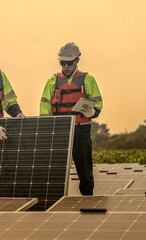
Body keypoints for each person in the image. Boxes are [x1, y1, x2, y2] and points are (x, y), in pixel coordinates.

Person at [39, 42, 103, 195]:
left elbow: (98, 104)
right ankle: (54, 201)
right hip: (60, 130)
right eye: (62, 62)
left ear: (77, 61)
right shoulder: (52, 81)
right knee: (55, 172)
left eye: (69, 62)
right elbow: (45, 107)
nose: (66, 66)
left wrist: (92, 112)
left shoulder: (88, 80)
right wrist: (46, 129)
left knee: (85, 171)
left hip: (81, 129)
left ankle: (87, 200)